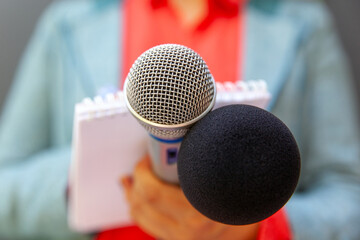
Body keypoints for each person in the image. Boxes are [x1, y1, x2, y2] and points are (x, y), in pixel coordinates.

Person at [0, 0, 359, 239]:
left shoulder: (303, 26)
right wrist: (82, 180)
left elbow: (350, 198)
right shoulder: (68, 24)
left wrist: (257, 226)